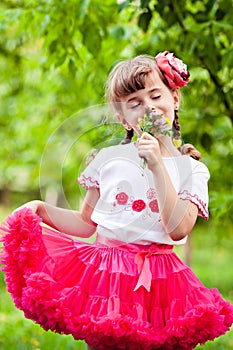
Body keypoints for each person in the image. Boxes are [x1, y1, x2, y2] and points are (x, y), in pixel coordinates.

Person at [1, 51, 233, 350]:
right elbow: (86, 224)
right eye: (135, 103)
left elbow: (178, 229)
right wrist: (40, 209)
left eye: (155, 95)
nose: (148, 107)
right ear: (123, 118)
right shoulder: (108, 160)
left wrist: (158, 166)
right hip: (107, 276)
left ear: (175, 99)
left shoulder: (191, 169)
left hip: (162, 282)